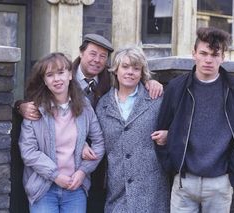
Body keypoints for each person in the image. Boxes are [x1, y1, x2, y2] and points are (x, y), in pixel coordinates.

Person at [15, 34, 163, 212]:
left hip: (90, 172)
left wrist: (150, 82)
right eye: (93, 54)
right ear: (81, 53)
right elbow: (30, 109)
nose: (97, 60)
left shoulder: (108, 82)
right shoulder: (51, 86)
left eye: (103, 56)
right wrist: (20, 107)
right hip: (47, 181)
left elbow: (131, 78)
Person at [154, 27, 234, 212]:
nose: (208, 59)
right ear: (194, 53)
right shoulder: (176, 88)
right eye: (203, 53)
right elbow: (159, 132)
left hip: (220, 182)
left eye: (214, 54)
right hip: (184, 182)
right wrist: (173, 167)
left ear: (223, 57)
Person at [84, 46, 170, 212]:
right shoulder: (103, 105)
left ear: (142, 72)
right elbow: (90, 135)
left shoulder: (156, 99)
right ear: (116, 70)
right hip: (117, 189)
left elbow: (177, 128)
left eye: (136, 68)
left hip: (152, 188)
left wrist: (169, 135)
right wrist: (83, 145)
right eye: (125, 67)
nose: (130, 72)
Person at [18, 52, 105, 213]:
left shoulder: (84, 106)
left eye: (61, 72)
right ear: (44, 81)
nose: (57, 79)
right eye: (50, 75)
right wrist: (55, 175)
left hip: (75, 187)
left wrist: (83, 171)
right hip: (43, 188)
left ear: (70, 75)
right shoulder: (35, 109)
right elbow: (28, 151)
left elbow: (99, 142)